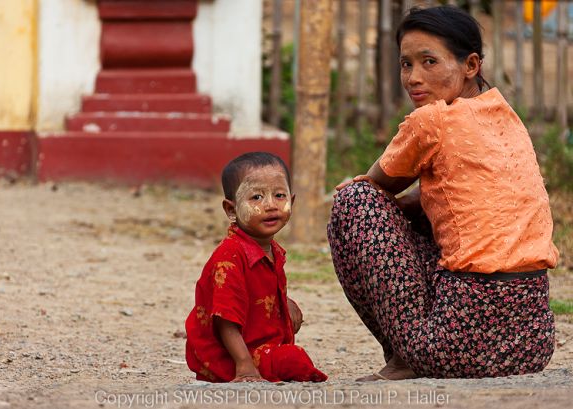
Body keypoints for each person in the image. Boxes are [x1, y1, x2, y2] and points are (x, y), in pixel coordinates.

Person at [327, 5, 559, 380]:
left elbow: (373, 186)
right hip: (531, 343)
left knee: (352, 202)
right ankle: (411, 352)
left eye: (429, 62)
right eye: (406, 64)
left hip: (457, 344)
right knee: (419, 207)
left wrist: (387, 202)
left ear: (470, 65)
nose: (414, 78)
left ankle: (404, 357)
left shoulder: (432, 120)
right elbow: (468, 191)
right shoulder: (505, 116)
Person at [185, 152, 327, 383]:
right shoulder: (230, 255)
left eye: (279, 195)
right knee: (294, 360)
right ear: (231, 210)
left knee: (290, 357)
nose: (270, 205)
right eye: (257, 198)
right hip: (227, 357)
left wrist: (285, 303)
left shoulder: (272, 250)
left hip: (256, 347)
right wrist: (245, 367)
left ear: (292, 200)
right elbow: (225, 318)